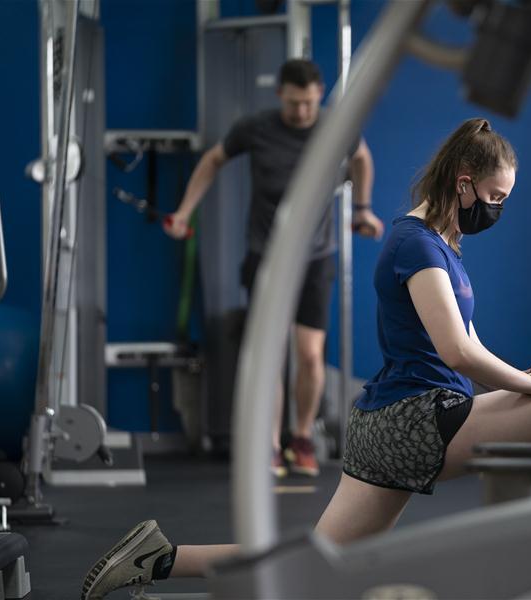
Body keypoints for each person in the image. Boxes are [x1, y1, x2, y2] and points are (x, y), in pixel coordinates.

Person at [80, 118, 531, 600]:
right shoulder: (416, 246)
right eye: (495, 196)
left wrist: (524, 379)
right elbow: (457, 352)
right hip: (415, 420)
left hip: (390, 421)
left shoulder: (442, 244)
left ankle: (160, 558)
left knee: (319, 565)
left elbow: (472, 342)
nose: (498, 209)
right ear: (464, 181)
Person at [164, 59, 384, 478]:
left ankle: (300, 439)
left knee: (310, 354)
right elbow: (212, 160)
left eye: (308, 103)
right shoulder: (257, 128)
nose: (301, 111)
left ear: (319, 94)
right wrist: (184, 211)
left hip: (316, 257)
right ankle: (267, 444)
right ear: (280, 93)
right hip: (266, 255)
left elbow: (362, 158)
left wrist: (362, 209)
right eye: (294, 103)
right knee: (271, 353)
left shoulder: (336, 127)